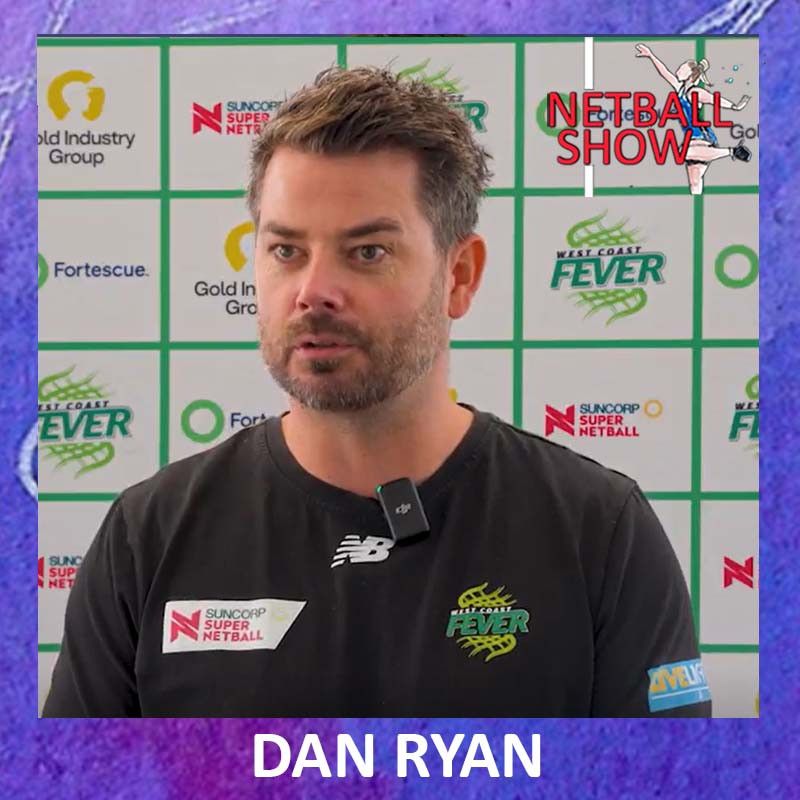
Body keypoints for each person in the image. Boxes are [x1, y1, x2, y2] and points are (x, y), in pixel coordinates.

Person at [42, 65, 710, 718]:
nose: (313, 291)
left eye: (367, 252)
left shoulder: (601, 532)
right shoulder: (148, 537)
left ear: (459, 275)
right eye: (286, 251)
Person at [635, 43, 752, 194]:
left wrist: (734, 106)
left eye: (682, 68)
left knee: (682, 153)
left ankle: (732, 151)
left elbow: (713, 99)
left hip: (702, 136)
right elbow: (664, 73)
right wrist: (651, 56)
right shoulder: (680, 89)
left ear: (690, 74)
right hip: (691, 139)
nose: (678, 70)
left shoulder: (694, 92)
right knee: (695, 183)